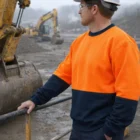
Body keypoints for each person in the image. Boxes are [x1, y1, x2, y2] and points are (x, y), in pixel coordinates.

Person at [18, 0, 140, 140]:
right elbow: (61, 77)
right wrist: (35, 100)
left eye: (82, 6)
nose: (79, 11)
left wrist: (109, 131)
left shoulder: (122, 43)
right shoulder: (79, 43)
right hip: (78, 129)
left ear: (94, 9)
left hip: (103, 132)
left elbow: (128, 94)